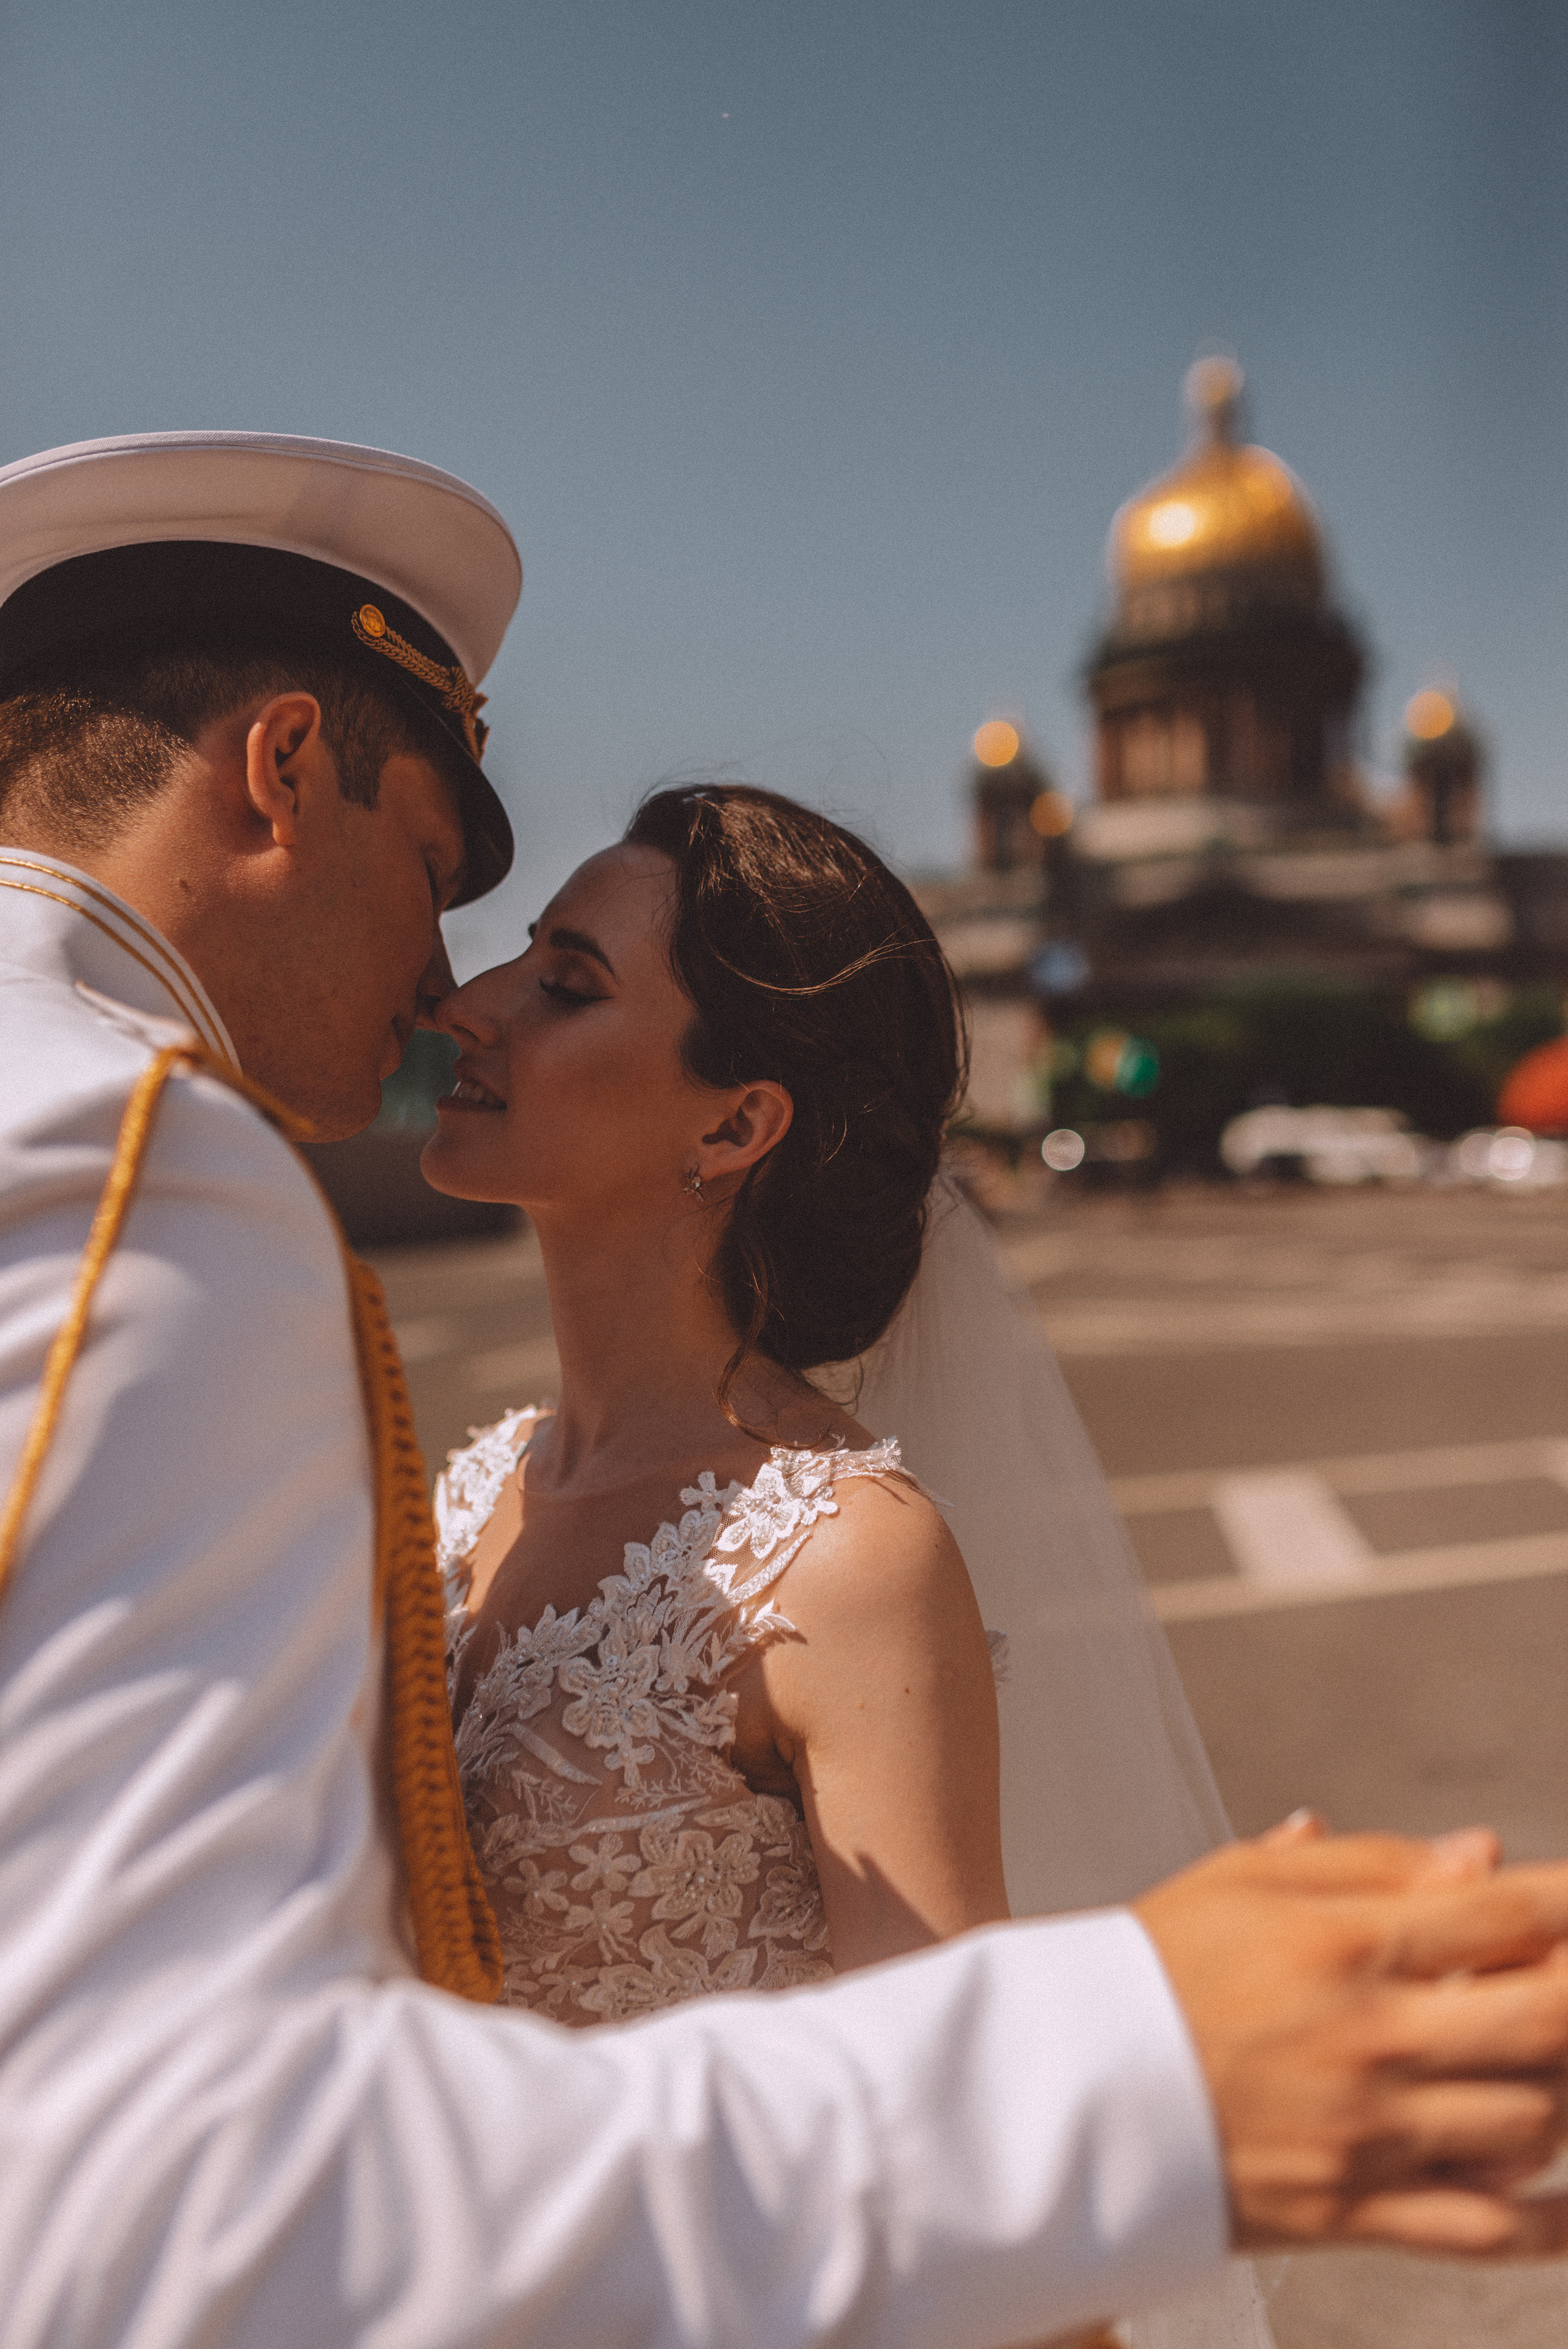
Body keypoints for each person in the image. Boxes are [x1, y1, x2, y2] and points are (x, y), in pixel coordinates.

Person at [1, 433, 1567, 2349]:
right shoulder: (182, 1201)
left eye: (563, 975)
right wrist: (1125, 2075)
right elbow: (164, 2172)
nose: (452, 991)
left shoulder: (836, 1551)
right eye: (442, 880)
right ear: (281, 765)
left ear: (738, 1120)